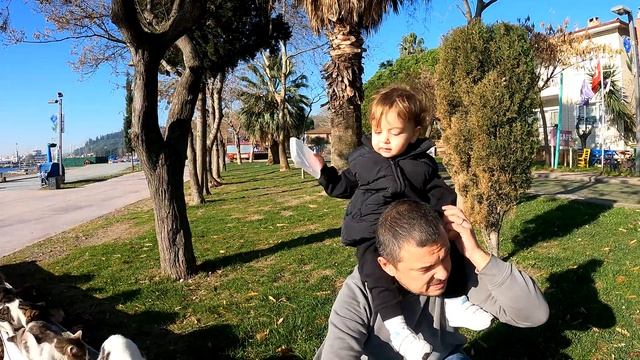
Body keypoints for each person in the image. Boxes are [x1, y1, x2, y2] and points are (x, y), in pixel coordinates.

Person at [316, 86, 492, 360]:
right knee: (375, 276)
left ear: (414, 133)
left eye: (395, 133)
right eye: (378, 132)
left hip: (412, 229)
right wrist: (324, 173)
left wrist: (449, 213)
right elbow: (341, 187)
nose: (384, 140)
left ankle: (455, 301)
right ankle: (398, 331)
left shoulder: (421, 164)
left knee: (446, 250)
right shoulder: (363, 161)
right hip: (371, 233)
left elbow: (438, 192)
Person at [314, 200, 549, 360]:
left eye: (444, 256)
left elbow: (534, 314)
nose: (443, 274)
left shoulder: (457, 273)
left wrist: (475, 253)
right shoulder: (360, 291)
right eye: (425, 268)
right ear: (387, 266)